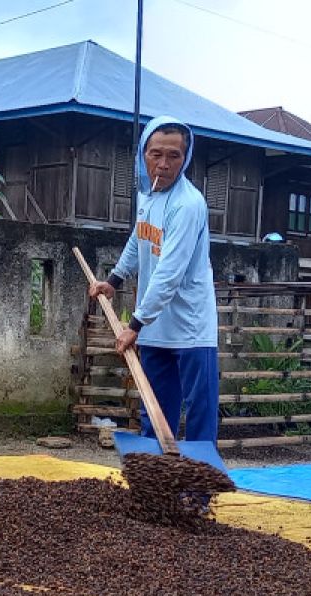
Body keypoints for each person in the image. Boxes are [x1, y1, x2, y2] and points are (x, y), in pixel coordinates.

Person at [88, 115, 218, 443]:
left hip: (190, 329)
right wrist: (114, 281)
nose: (163, 164)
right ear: (142, 154)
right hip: (154, 328)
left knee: (199, 417)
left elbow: (169, 274)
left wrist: (134, 325)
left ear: (185, 159)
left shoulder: (188, 205)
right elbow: (139, 239)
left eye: (174, 156)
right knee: (154, 412)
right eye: (155, 154)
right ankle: (154, 489)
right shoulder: (150, 195)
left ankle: (198, 494)